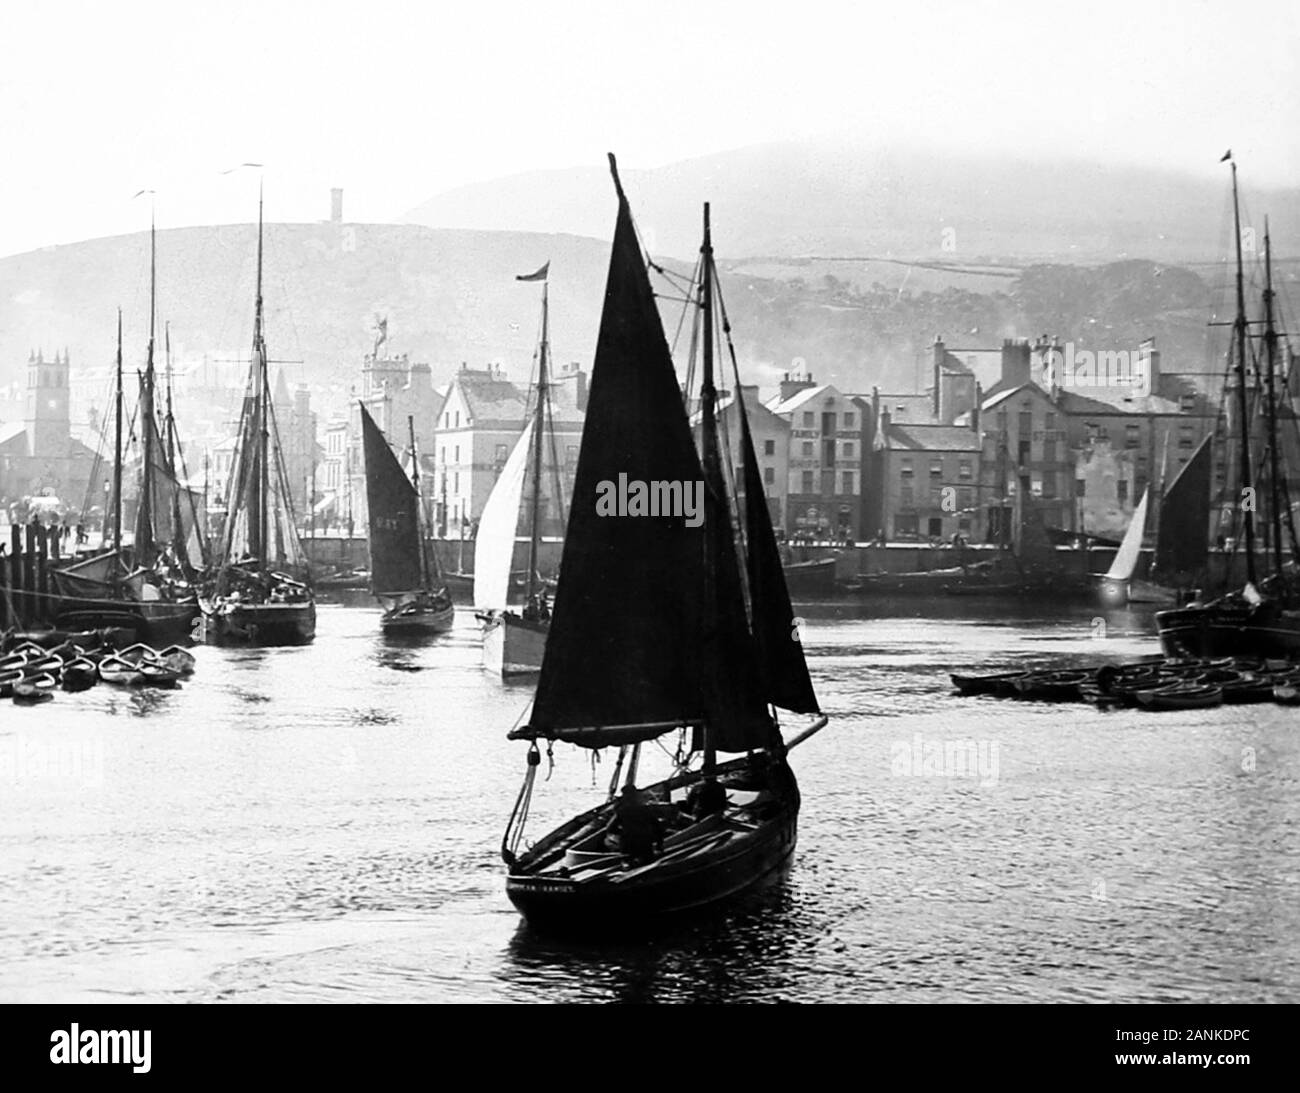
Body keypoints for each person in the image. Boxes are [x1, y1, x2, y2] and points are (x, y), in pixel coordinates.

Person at [607, 786, 666, 864]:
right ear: (635, 796)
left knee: (628, 861)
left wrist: (624, 833)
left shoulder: (622, 811)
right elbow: (658, 827)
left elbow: (610, 828)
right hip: (644, 844)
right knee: (648, 861)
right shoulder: (645, 810)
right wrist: (659, 845)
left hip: (628, 846)